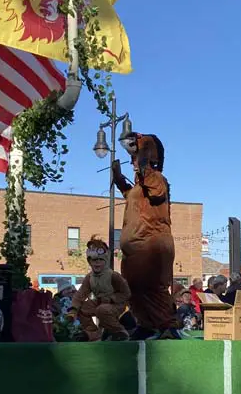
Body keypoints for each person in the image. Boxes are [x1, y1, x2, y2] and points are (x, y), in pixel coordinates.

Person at [114, 132, 178, 340]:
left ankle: (168, 325)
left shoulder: (156, 179)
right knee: (134, 287)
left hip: (151, 244)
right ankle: (146, 324)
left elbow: (156, 193)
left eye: (135, 156)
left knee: (153, 287)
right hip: (135, 248)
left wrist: (143, 157)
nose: (132, 161)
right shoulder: (139, 186)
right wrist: (119, 179)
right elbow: (132, 196)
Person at [67, 237, 132, 341]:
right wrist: (73, 309)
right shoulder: (89, 277)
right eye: (94, 260)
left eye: (100, 260)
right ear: (90, 261)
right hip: (100, 302)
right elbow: (81, 294)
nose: (97, 263)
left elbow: (126, 293)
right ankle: (93, 334)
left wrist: (111, 298)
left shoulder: (113, 276)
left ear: (105, 260)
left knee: (102, 310)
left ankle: (119, 332)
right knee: (82, 308)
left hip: (116, 304)